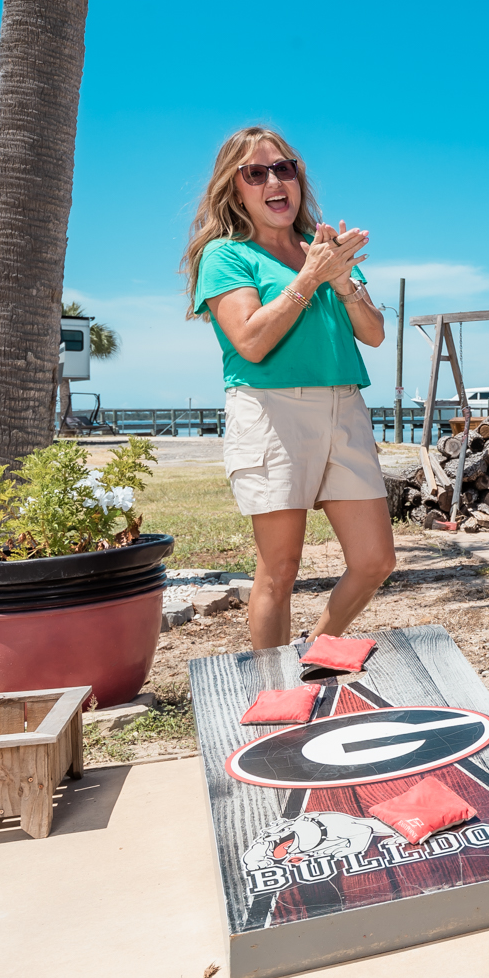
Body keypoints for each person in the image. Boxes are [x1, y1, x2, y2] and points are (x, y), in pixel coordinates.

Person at [182, 125, 396, 651]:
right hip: (271, 411)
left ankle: (311, 651)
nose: (275, 181)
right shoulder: (226, 255)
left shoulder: (319, 249)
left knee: (375, 561)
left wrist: (341, 281)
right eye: (256, 173)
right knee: (279, 571)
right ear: (234, 189)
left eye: (285, 168)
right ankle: (274, 694)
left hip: (344, 406)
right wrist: (309, 279)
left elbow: (373, 332)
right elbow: (251, 341)